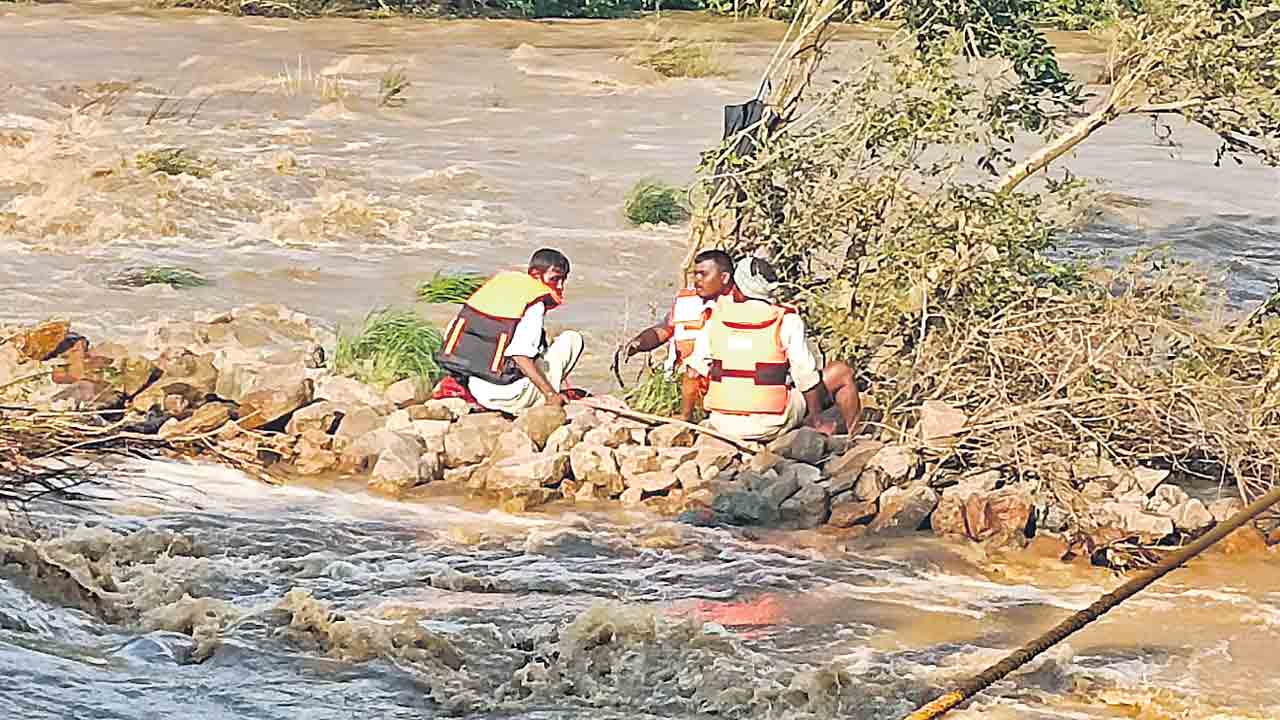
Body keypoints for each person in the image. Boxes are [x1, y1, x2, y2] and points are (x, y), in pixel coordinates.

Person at [685, 256, 862, 442]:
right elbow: (806, 377)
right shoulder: (787, 319)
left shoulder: (716, 319)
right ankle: (854, 437)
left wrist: (686, 417)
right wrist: (816, 419)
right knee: (840, 372)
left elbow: (692, 373)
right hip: (770, 424)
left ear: (736, 287)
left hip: (722, 423)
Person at [435, 248, 583, 413]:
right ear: (535, 275)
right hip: (507, 397)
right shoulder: (535, 305)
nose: (560, 286)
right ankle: (541, 399)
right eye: (555, 279)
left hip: (476, 388)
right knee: (571, 339)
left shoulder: (497, 290)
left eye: (563, 280)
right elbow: (520, 356)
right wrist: (550, 394)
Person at [623, 250, 735, 420]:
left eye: (703, 274)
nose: (697, 280)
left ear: (724, 278)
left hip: (718, 390)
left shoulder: (740, 307)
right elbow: (665, 329)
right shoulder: (686, 299)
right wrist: (639, 343)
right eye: (695, 274)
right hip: (681, 386)